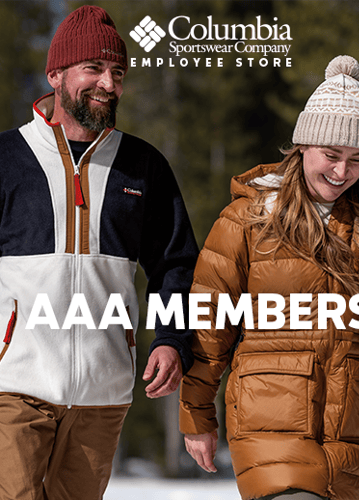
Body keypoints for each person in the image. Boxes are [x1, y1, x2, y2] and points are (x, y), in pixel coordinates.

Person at [179, 55, 359, 500]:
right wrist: (197, 415)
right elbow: (208, 324)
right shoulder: (248, 219)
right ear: (302, 147)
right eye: (331, 156)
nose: (341, 173)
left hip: (357, 435)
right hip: (270, 422)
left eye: (356, 160)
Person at [0, 5, 198, 500]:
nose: (108, 84)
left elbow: (175, 264)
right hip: (13, 385)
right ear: (57, 74)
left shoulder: (143, 166)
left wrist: (172, 339)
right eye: (94, 69)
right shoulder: (6, 160)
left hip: (103, 394)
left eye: (118, 73)